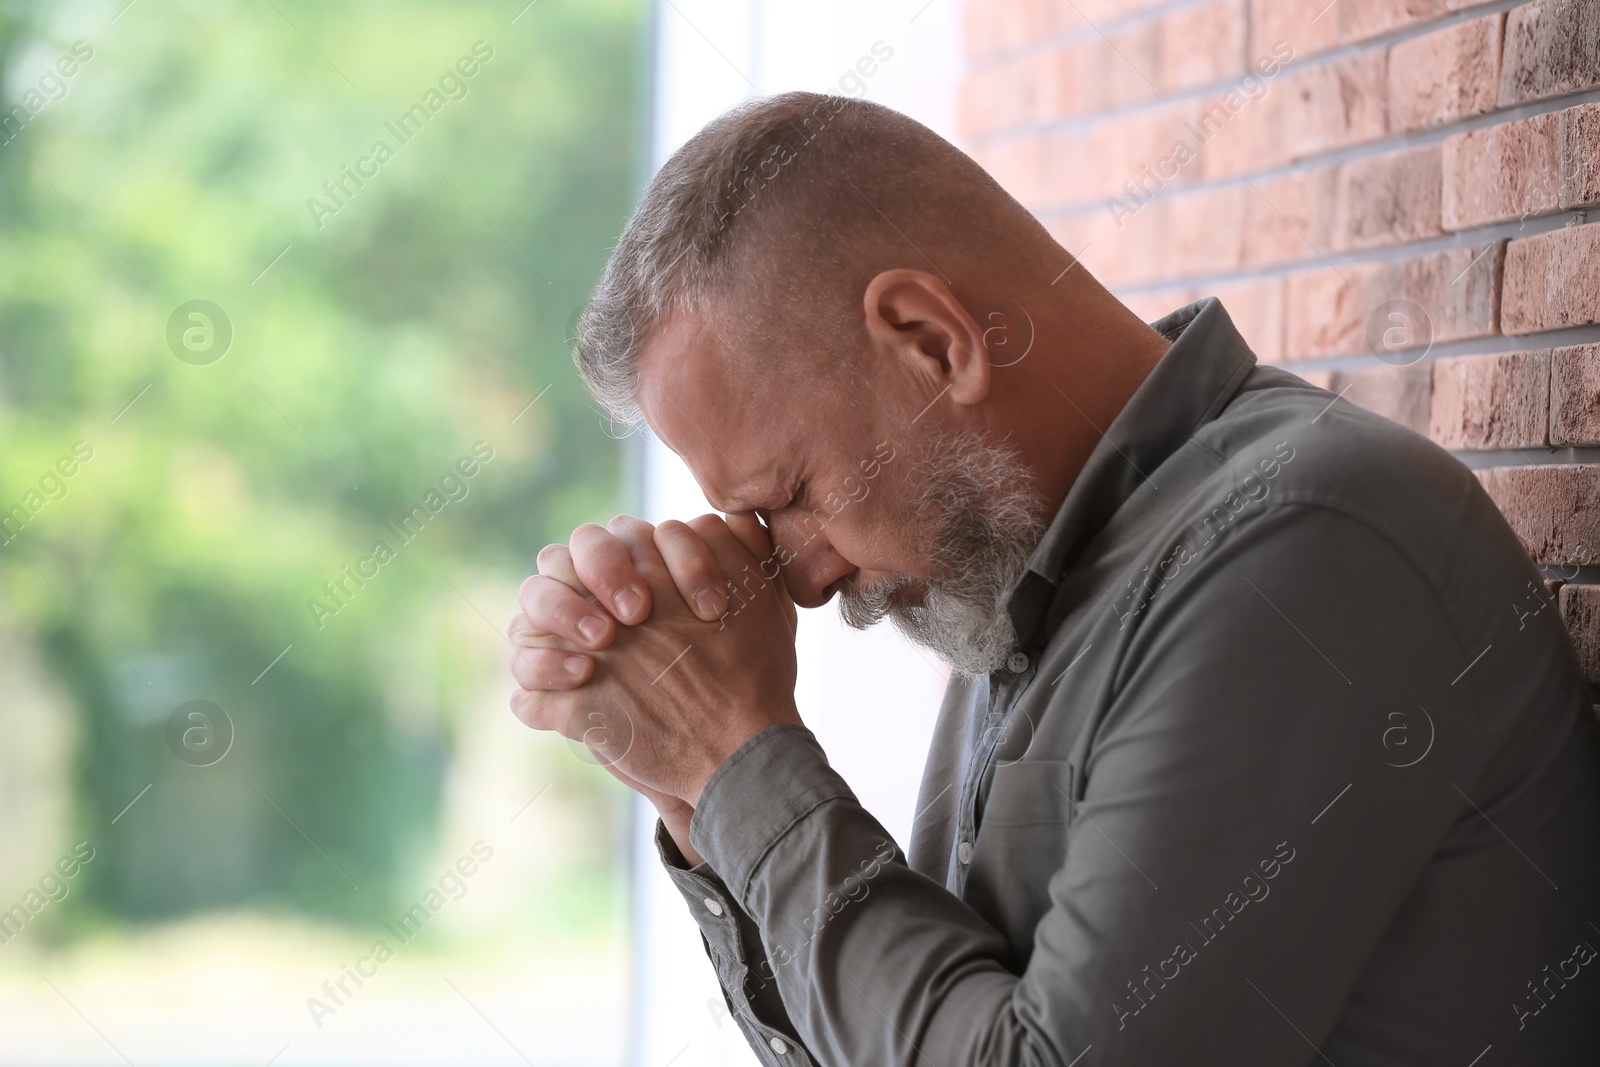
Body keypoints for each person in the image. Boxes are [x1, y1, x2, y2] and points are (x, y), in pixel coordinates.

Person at [505, 92, 1600, 1065]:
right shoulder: (1020, 586)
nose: (795, 576)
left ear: (932, 341)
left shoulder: (1306, 542)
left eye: (788, 491)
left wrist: (743, 759)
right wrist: (696, 794)